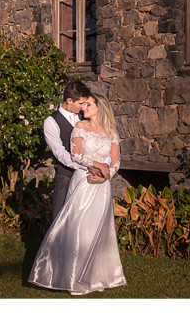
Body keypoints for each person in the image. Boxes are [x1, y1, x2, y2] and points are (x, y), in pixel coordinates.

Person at [29, 92, 127, 295]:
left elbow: (116, 161)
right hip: (83, 180)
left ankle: (98, 276)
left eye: (89, 104)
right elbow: (77, 155)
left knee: (98, 229)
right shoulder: (79, 127)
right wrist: (98, 165)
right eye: (84, 104)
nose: (84, 108)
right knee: (78, 226)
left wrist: (105, 176)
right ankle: (73, 277)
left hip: (101, 186)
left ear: (100, 106)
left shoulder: (111, 132)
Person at [44, 80, 105, 220]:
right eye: (81, 103)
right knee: (59, 220)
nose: (84, 107)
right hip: (66, 176)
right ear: (69, 100)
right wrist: (85, 166)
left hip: (90, 177)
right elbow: (60, 153)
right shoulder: (51, 122)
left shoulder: (85, 116)